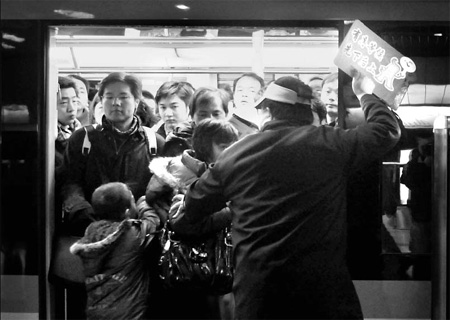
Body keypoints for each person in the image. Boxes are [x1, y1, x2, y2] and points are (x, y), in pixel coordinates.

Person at [177, 73, 401, 319]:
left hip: (260, 299)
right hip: (324, 298)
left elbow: (194, 207)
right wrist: (364, 92)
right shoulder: (331, 143)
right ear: (307, 114)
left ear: (267, 112)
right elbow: (386, 130)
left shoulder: (233, 156)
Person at [145, 118, 238, 320]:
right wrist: (233, 210)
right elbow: (185, 222)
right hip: (190, 268)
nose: (231, 151)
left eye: (233, 146)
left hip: (197, 271)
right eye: (224, 146)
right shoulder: (184, 175)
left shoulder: (215, 171)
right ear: (204, 147)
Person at [61, 72, 165, 237]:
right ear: (101, 100)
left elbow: (160, 191)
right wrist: (83, 213)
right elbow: (70, 183)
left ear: (136, 102)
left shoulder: (154, 142)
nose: (116, 103)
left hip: (138, 233)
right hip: (89, 230)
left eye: (123, 97)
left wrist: (145, 220)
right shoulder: (83, 138)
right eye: (109, 97)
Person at [70, 182, 161, 320]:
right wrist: (143, 201)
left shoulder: (91, 231)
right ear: (127, 212)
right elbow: (152, 221)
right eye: (132, 200)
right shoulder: (134, 233)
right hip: (128, 314)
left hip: (95, 312)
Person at [162, 86, 231, 157]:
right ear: (192, 116)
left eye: (216, 114)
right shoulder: (179, 142)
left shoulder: (233, 142)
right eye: (203, 115)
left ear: (226, 114)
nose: (210, 119)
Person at [228, 72, 265, 138]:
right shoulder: (226, 121)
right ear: (233, 94)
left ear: (261, 95)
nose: (244, 94)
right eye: (240, 90)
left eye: (251, 91)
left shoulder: (265, 122)